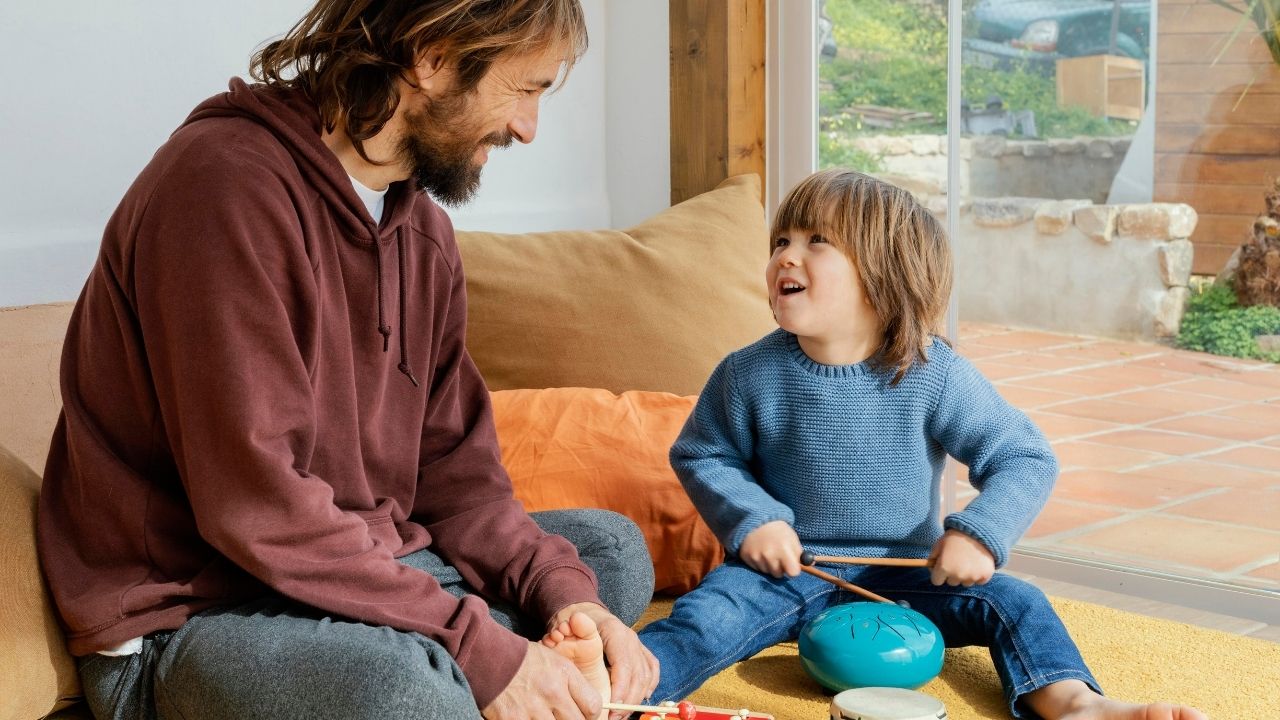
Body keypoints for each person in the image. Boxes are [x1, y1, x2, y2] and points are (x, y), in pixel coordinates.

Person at [37, 2, 659, 719]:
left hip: (362, 575)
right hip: (196, 617)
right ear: (431, 56)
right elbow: (256, 508)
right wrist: (484, 652)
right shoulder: (221, 189)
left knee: (604, 556)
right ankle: (461, 676)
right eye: (526, 89)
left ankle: (484, 668)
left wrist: (570, 606)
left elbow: (462, 484)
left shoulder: (421, 235)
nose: (527, 127)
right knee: (402, 692)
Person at [637, 169, 1208, 720]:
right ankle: (606, 688)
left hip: (909, 575)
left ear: (883, 274)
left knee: (1018, 604)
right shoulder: (747, 374)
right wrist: (755, 520)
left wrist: (978, 535)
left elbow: (1024, 456)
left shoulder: (933, 374)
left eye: (817, 242)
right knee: (701, 621)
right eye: (782, 240)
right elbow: (703, 453)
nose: (786, 255)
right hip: (781, 573)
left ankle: (1077, 705)